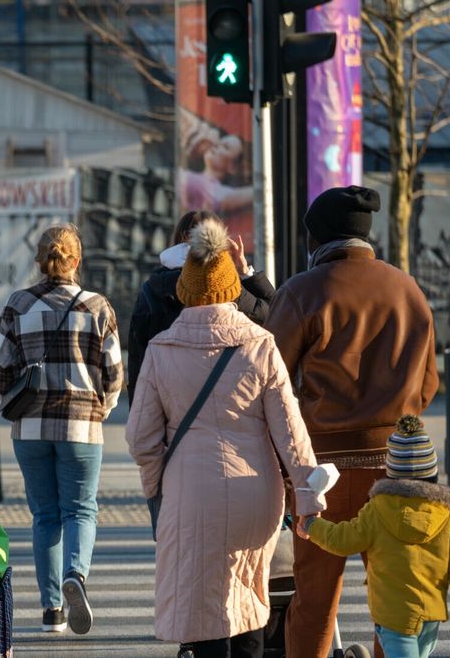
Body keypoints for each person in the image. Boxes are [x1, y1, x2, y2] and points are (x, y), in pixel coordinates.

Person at [125, 218, 327, 657]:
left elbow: (140, 437)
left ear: (186, 289)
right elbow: (290, 430)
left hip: (190, 494)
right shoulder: (260, 344)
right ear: (231, 286)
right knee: (250, 598)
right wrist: (308, 497)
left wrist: (157, 481)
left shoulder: (162, 349)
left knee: (203, 607)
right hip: (257, 493)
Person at [265, 186, 439, 658]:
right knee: (398, 600)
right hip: (400, 471)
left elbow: (269, 379)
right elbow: (428, 386)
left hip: (325, 472)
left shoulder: (302, 291)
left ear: (315, 238)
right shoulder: (409, 291)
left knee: (315, 601)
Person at [0, 224, 124, 635]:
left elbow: (0, 367)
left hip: (30, 427)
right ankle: (75, 577)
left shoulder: (18, 305)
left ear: (39, 259)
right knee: (80, 509)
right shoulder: (98, 307)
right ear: (76, 260)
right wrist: (102, 408)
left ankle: (52, 611)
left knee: (44, 515)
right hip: (81, 427)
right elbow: (115, 373)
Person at [297, 416, 450, 658]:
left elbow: (342, 540)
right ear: (432, 474)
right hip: (431, 615)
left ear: (390, 474)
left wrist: (312, 524)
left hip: (393, 617)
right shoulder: (446, 516)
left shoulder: (377, 510)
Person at [128, 210, 275, 403]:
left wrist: (140, 411)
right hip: (227, 400)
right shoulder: (224, 286)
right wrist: (244, 271)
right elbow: (272, 312)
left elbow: (138, 357)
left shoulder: (152, 288)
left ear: (178, 239)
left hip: (170, 402)